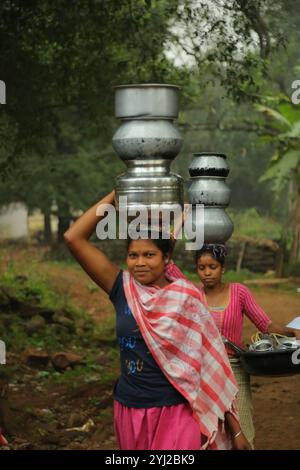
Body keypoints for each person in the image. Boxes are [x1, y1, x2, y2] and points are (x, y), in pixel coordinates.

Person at [64, 190, 251, 450]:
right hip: (130, 409)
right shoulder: (122, 288)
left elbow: (211, 365)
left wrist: (236, 430)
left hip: (176, 410)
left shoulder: (186, 298)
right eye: (133, 255)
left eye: (149, 255)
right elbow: (73, 238)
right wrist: (116, 194)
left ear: (166, 259)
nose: (140, 263)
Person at [189, 243, 300, 448]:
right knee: (209, 433)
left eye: (212, 267)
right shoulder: (194, 296)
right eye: (201, 268)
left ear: (223, 268)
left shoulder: (239, 292)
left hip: (235, 370)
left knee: (243, 433)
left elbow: (265, 325)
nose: (206, 273)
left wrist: (291, 331)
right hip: (204, 374)